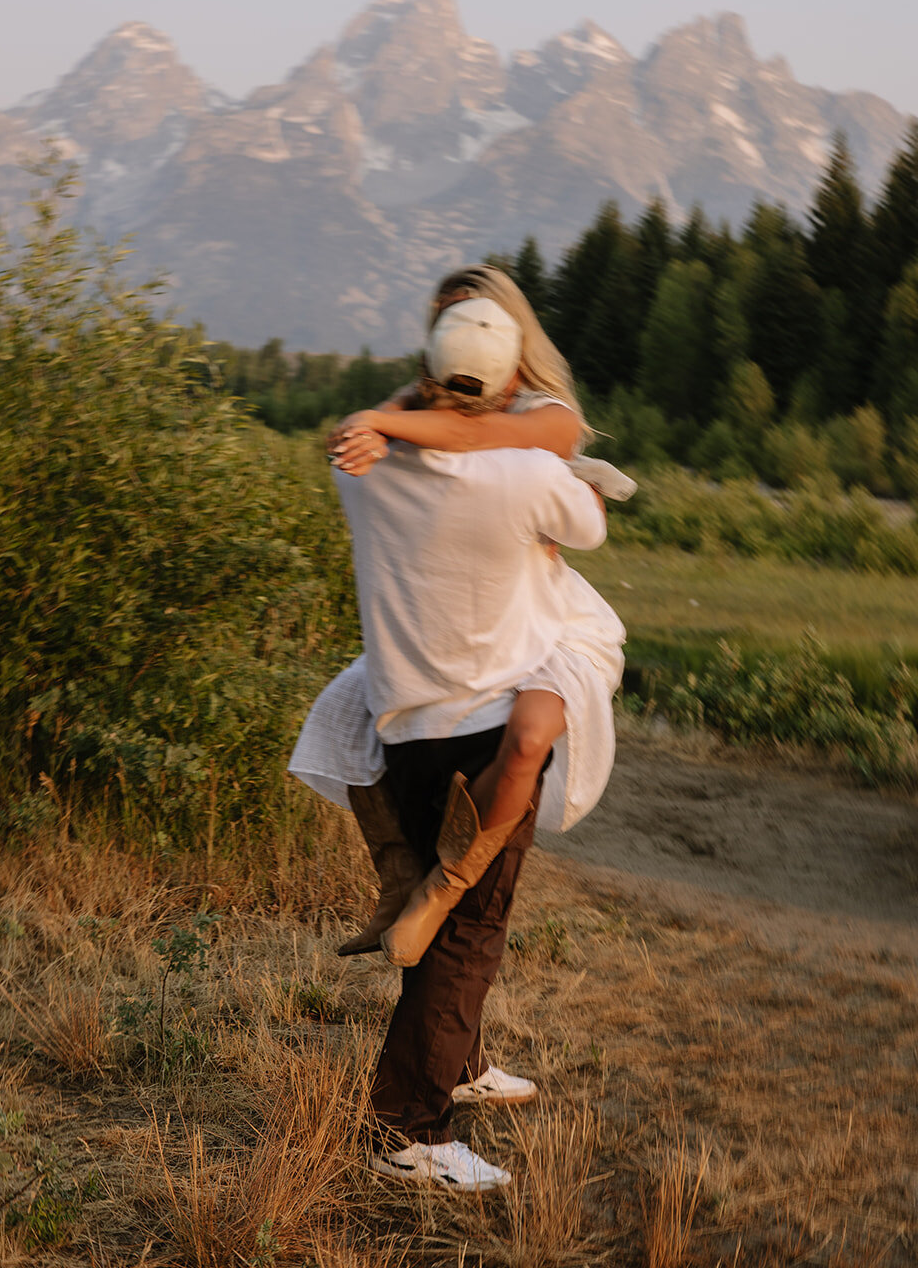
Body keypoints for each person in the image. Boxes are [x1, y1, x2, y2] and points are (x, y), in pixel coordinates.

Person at [290, 294, 617, 1192]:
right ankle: (410, 1130)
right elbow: (587, 524)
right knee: (468, 930)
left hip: (402, 731)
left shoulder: (358, 470)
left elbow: (416, 431)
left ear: (427, 376)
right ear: (509, 380)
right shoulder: (523, 475)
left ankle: (457, 1065)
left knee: (446, 924)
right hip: (487, 729)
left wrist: (390, 419)